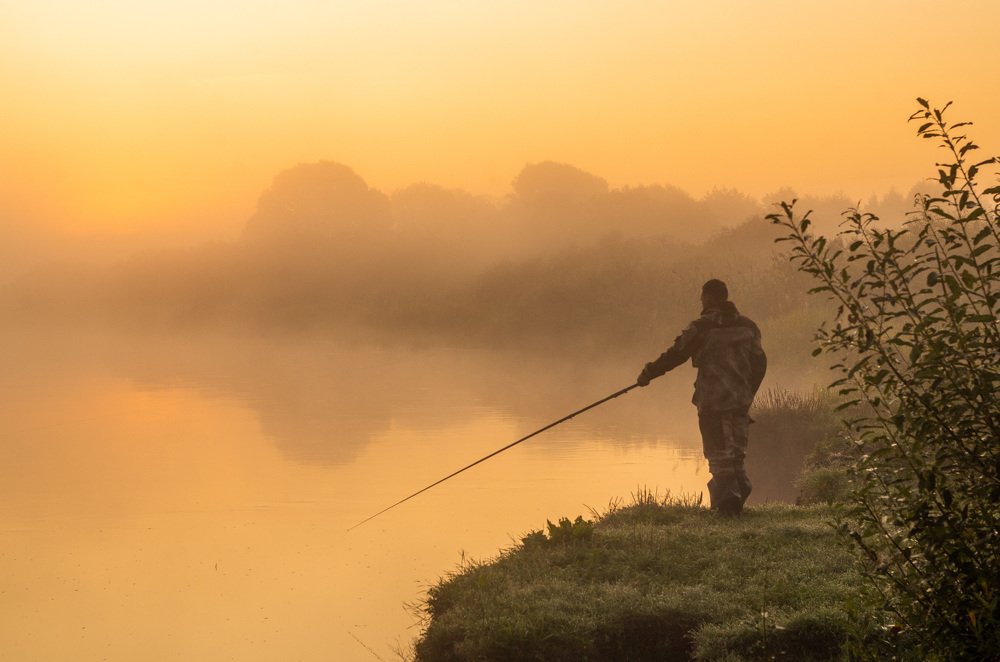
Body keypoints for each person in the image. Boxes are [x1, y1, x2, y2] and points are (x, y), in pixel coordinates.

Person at [637, 279, 767, 515]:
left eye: (703, 297)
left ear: (709, 297)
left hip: (712, 402)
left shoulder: (702, 328)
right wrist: (748, 394)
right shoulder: (749, 327)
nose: (701, 301)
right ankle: (735, 501)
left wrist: (649, 373)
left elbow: (676, 354)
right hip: (739, 402)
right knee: (736, 455)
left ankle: (727, 507)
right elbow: (760, 364)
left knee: (718, 456)